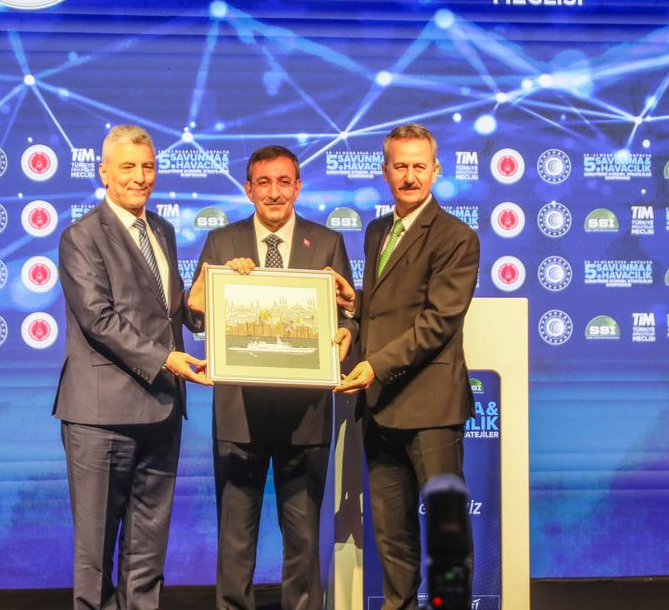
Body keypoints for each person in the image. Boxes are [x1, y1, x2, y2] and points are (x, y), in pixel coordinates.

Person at [185, 145, 357, 610]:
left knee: (303, 542)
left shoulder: (327, 243)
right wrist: (202, 298)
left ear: (298, 187)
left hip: (305, 416)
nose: (274, 192)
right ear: (249, 190)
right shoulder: (222, 242)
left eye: (284, 182)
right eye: (264, 182)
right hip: (239, 414)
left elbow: (349, 314)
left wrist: (347, 331)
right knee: (235, 540)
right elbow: (196, 313)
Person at [54, 124, 211, 610]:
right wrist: (165, 359)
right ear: (104, 172)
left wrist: (203, 306)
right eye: (128, 167)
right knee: (95, 556)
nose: (140, 177)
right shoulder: (81, 236)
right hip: (101, 418)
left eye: (148, 167)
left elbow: (166, 311)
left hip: (162, 411)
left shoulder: (161, 230)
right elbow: (99, 319)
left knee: (147, 552)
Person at [334, 123, 480, 610]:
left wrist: (374, 365)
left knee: (446, 536)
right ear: (385, 171)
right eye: (401, 166)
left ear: (436, 171)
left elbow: (437, 322)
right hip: (381, 409)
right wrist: (354, 311)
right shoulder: (377, 231)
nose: (410, 176)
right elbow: (383, 309)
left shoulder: (457, 237)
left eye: (420, 166)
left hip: (431, 410)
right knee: (392, 537)